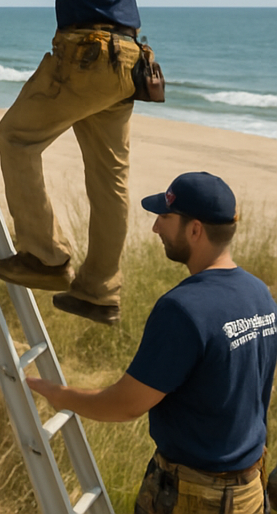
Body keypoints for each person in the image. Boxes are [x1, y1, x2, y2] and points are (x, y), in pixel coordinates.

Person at [28, 172, 277, 514]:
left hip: (195, 497)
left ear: (195, 229)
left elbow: (127, 404)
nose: (155, 228)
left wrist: (62, 397)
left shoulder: (184, 308)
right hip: (248, 491)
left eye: (165, 217)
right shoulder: (260, 294)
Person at [0, 0, 141, 325]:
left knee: (14, 138)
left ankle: (45, 257)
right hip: (127, 60)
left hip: (85, 56)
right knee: (109, 181)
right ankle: (100, 291)